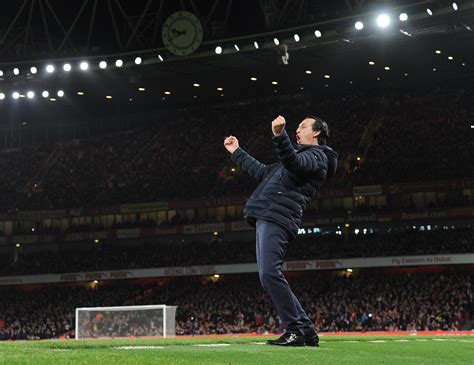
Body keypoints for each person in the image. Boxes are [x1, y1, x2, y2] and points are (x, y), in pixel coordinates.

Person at [224, 115, 338, 346]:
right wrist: (237, 151)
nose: (297, 129)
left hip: (277, 216)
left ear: (316, 133)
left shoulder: (317, 156)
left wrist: (279, 136)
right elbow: (262, 172)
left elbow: (294, 163)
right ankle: (306, 331)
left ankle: (295, 329)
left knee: (269, 274)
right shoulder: (298, 158)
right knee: (268, 277)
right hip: (268, 215)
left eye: (303, 126)